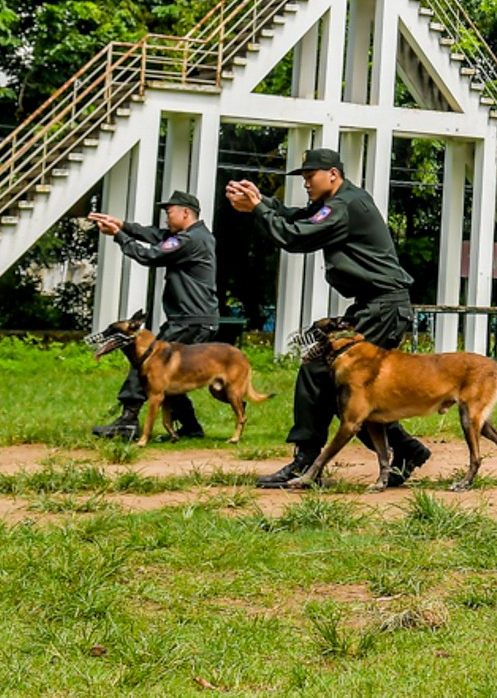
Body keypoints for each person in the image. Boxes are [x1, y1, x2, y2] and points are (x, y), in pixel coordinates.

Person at [225, 148, 432, 489]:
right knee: (338, 383)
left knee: (323, 372)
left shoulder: (343, 206)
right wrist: (261, 202)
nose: (305, 182)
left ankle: (306, 461)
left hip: (382, 308)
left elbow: (296, 236)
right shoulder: (338, 202)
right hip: (373, 306)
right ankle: (406, 451)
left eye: (310, 176)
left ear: (333, 175)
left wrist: (259, 209)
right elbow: (298, 217)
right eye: (303, 177)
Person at [87, 190, 219, 441]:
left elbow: (149, 254)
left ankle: (128, 420)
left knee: (146, 362)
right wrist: (122, 225)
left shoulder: (190, 240)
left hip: (189, 321)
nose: (166, 218)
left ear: (185, 212)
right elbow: (156, 235)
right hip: (195, 319)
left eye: (169, 213)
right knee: (171, 374)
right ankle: (190, 426)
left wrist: (118, 236)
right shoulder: (195, 235)